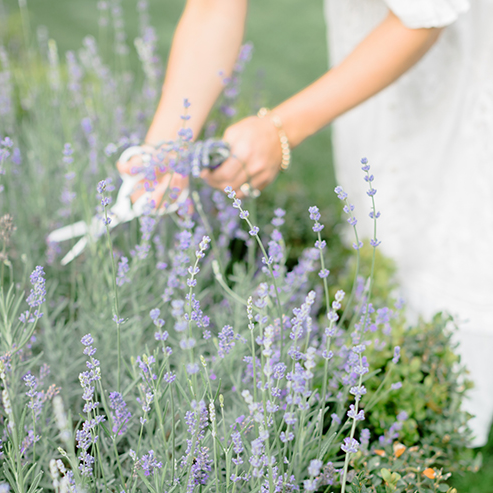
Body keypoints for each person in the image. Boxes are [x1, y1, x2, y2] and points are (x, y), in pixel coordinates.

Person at [118, 0, 493, 446]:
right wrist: (165, 149)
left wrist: (281, 129)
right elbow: (213, 8)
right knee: (385, 211)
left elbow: (423, 17)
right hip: (373, 44)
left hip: (454, 42)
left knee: (458, 219)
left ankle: (444, 435)